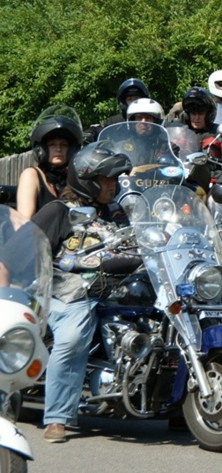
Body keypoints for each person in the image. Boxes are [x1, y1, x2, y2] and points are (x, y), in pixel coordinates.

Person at [31, 141, 134, 443]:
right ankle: (58, 416)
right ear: (87, 180)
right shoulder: (59, 212)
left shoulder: (118, 212)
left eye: (115, 179)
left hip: (121, 289)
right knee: (73, 336)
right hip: (73, 292)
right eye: (106, 179)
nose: (112, 185)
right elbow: (29, 251)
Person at [17, 106, 84, 220]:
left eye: (64, 145)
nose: (58, 149)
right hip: (39, 236)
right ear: (41, 149)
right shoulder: (31, 175)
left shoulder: (75, 178)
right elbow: (24, 223)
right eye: (52, 145)